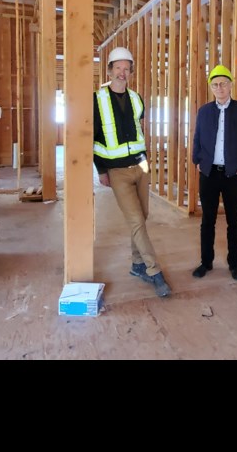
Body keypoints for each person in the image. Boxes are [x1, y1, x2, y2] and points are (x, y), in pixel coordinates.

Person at [92, 46, 171, 297]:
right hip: (117, 171)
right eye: (118, 68)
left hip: (141, 166)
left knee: (142, 216)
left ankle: (137, 265)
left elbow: (139, 132)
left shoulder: (137, 99)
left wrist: (146, 165)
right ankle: (154, 271)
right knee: (136, 220)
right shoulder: (97, 100)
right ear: (110, 70)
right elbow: (93, 139)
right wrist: (101, 170)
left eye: (127, 69)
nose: (122, 73)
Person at [191, 64, 237, 281]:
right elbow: (197, 139)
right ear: (211, 87)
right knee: (207, 220)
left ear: (230, 85)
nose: (219, 87)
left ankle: (234, 264)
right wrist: (198, 161)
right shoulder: (204, 111)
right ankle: (206, 262)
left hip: (233, 175)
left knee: (233, 221)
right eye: (215, 84)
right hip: (209, 174)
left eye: (223, 83)